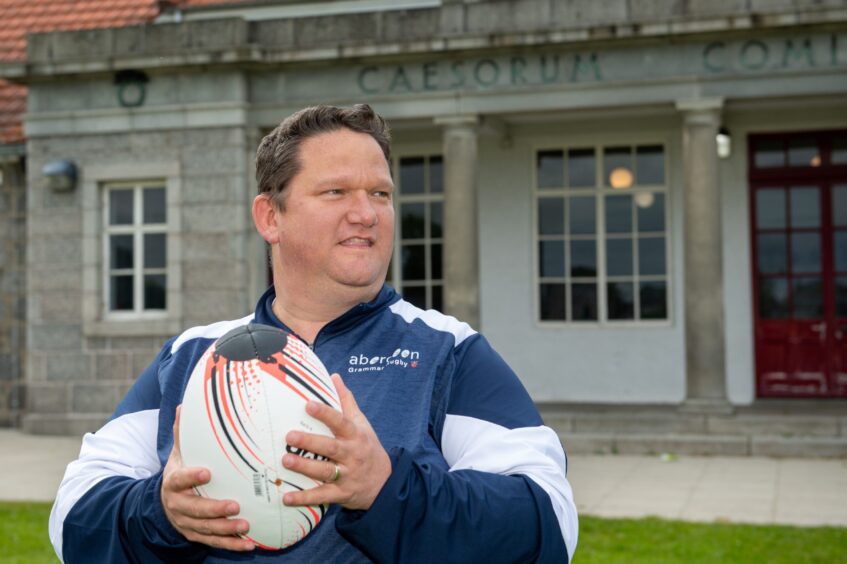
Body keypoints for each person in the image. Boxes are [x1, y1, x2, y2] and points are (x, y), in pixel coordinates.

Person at [49, 104, 578, 563]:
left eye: (380, 193)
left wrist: (387, 490)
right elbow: (73, 514)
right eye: (336, 191)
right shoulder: (191, 356)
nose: (366, 214)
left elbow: (550, 521)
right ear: (270, 217)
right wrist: (161, 515)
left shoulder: (449, 350)